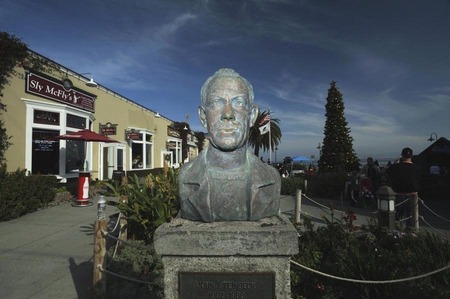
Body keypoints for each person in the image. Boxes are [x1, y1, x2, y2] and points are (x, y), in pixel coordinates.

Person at [178, 68, 281, 222]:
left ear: (252, 116)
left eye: (239, 103)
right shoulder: (185, 176)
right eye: (215, 103)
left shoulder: (272, 179)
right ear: (203, 116)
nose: (227, 114)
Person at [385, 147, 421, 224]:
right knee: (411, 217)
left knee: (397, 217)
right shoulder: (417, 168)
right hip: (413, 195)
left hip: (399, 194)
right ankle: (411, 233)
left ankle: (398, 232)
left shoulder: (395, 167)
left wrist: (395, 163)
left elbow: (386, 171)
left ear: (402, 155)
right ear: (411, 156)